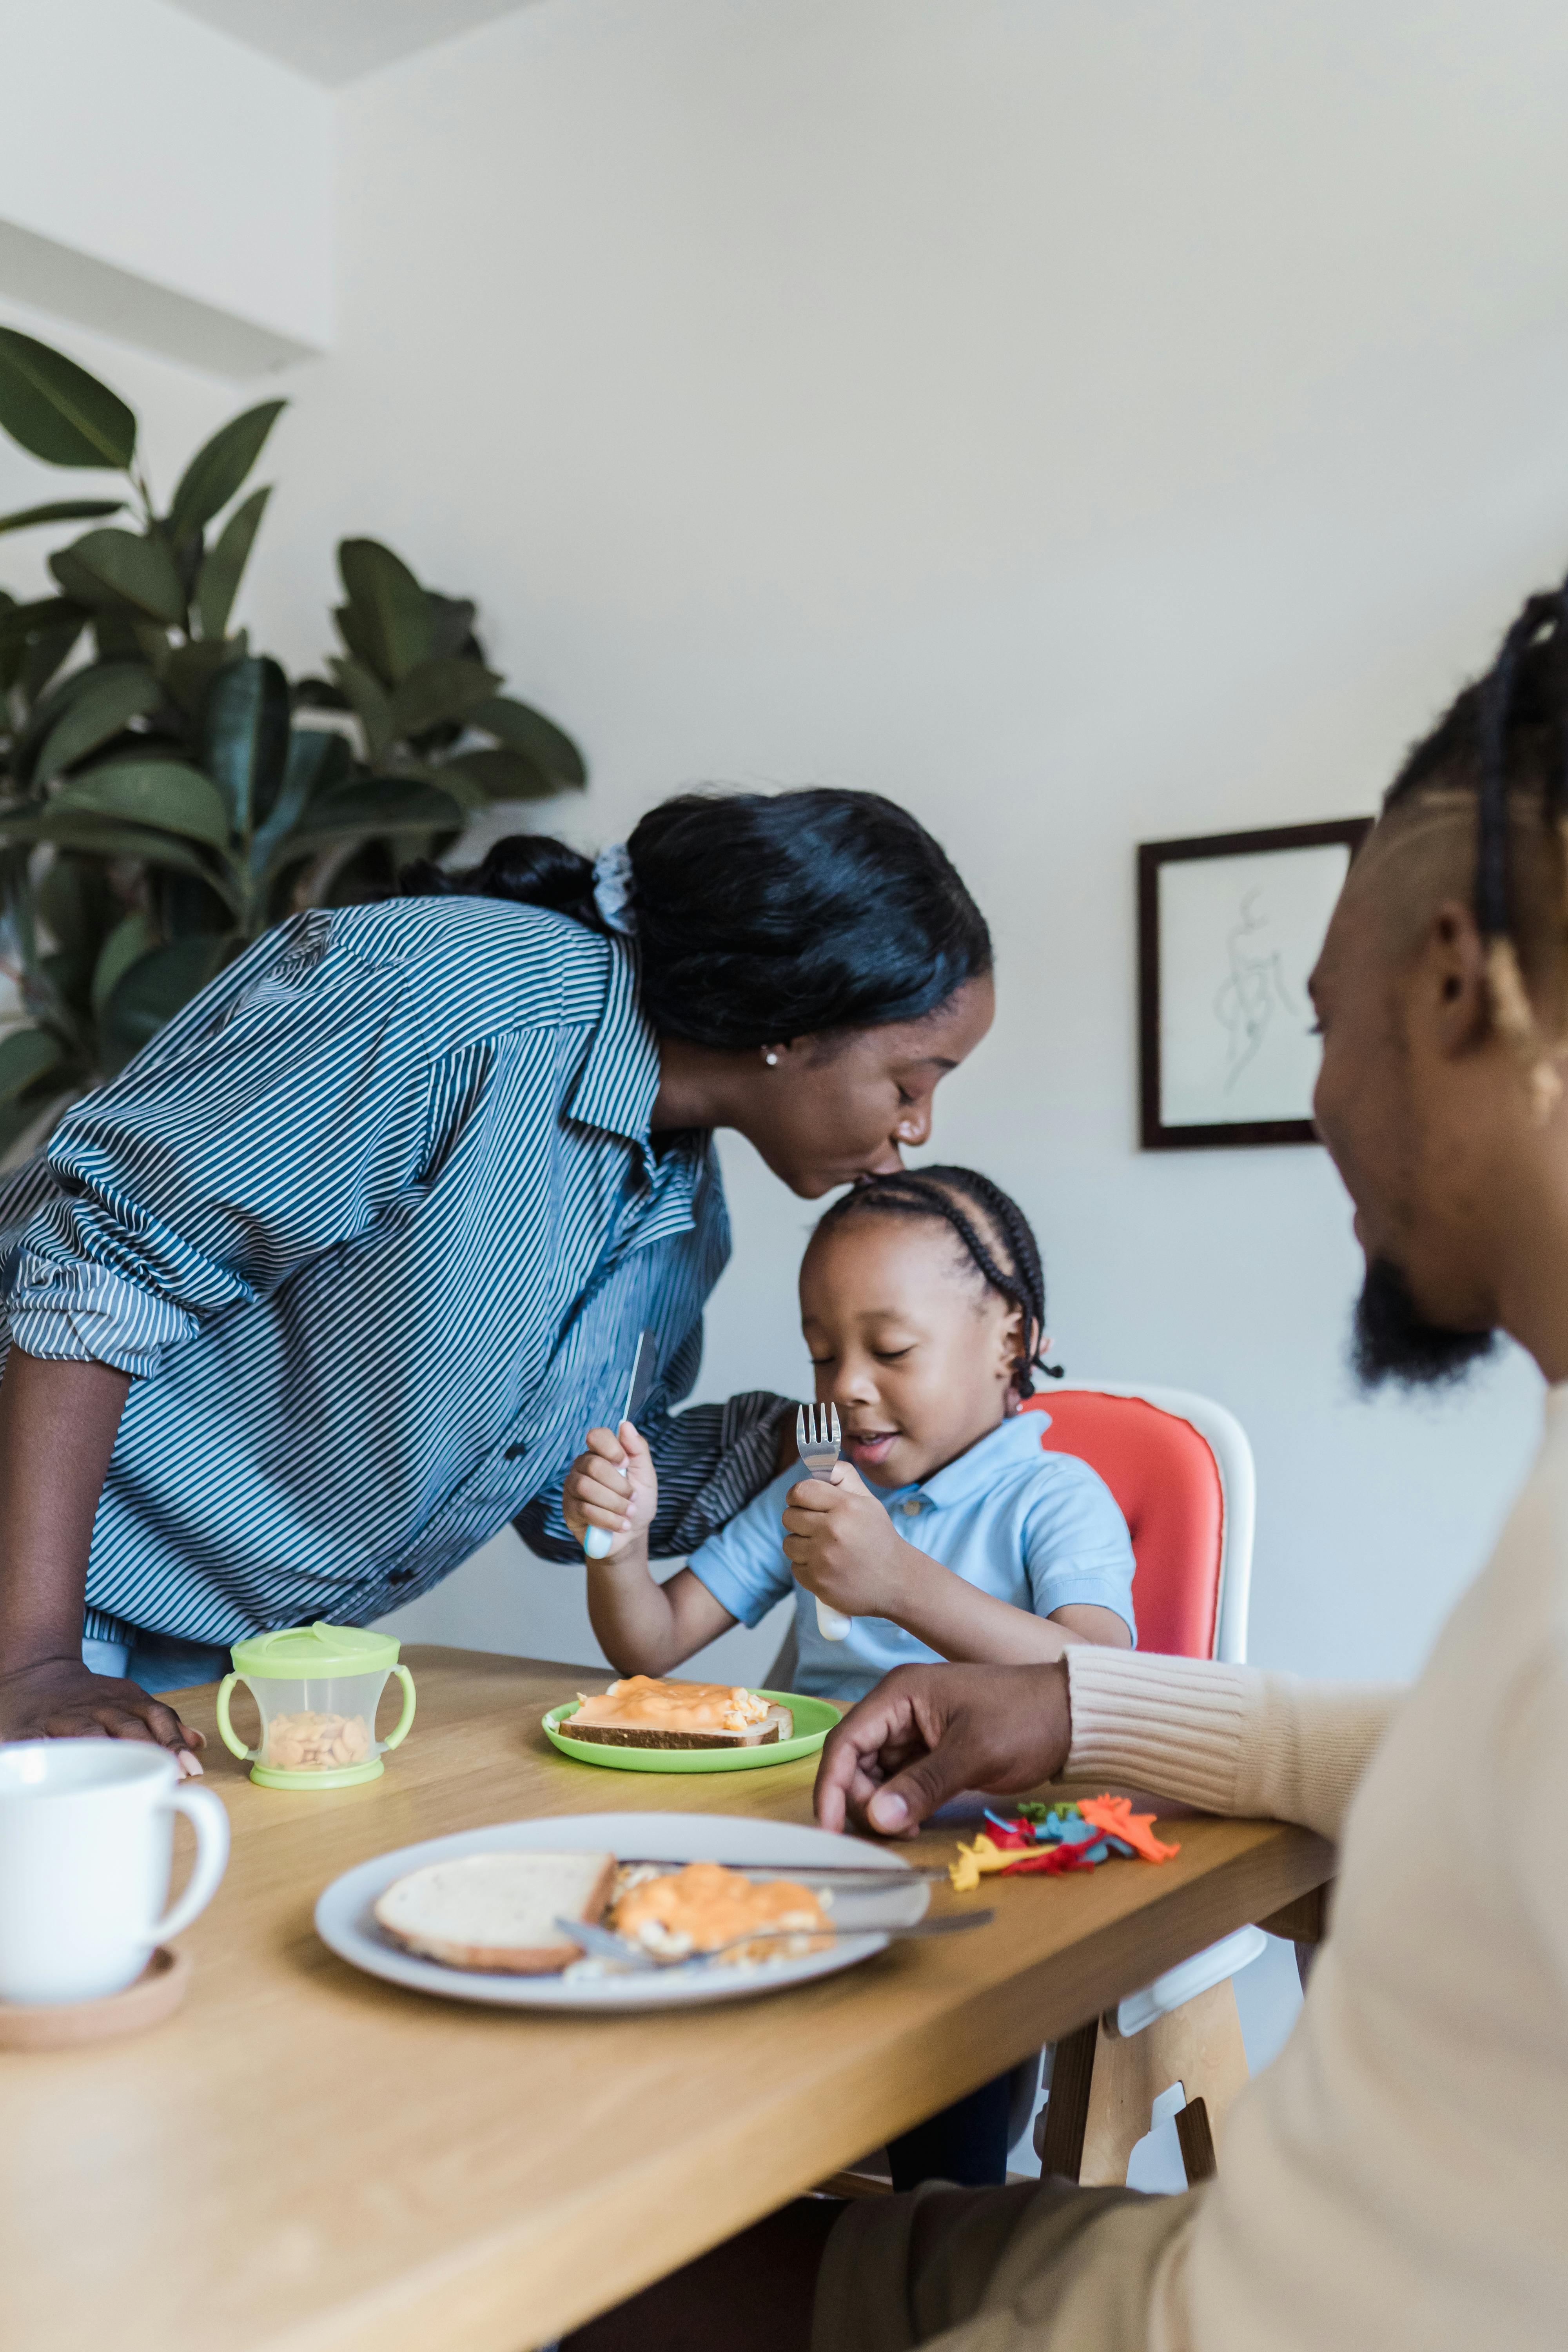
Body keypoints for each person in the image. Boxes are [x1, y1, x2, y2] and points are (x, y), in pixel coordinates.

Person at [564, 576, 1568, 2352]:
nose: (1319, 1105)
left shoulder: (1042, 1488)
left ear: (1453, 986)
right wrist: (1078, 1712)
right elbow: (1471, 1766)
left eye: (1320, 1026)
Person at [0, 788, 993, 1772]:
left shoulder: (683, 1219)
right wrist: (34, 1655)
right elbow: (97, 1266)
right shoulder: (442, 998)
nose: (915, 1134)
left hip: (214, 1632)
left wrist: (811, 1435)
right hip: (41, 1595)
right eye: (910, 1083)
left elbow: (567, 1487)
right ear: (794, 1023)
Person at [564, 1163, 1135, 2189]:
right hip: (802, 1833)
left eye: (891, 1349)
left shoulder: (1055, 1498)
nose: (846, 1387)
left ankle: (930, 2249)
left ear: (1011, 1338)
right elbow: (650, 1647)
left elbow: (1100, 1678)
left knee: (937, 2047)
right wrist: (621, 1545)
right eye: (822, 1355)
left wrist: (900, 1582)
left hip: (966, 1862)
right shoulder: (817, 1488)